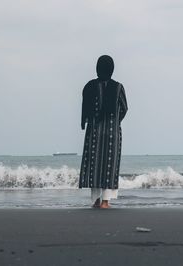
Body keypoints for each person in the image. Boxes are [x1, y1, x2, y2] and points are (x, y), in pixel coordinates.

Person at [79, 55, 128, 209]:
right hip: (112, 133)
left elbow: (85, 108)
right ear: (112, 69)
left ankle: (96, 200)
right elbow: (125, 108)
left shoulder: (89, 86)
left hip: (94, 131)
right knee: (109, 165)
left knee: (94, 164)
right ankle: (106, 202)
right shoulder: (118, 87)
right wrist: (115, 121)